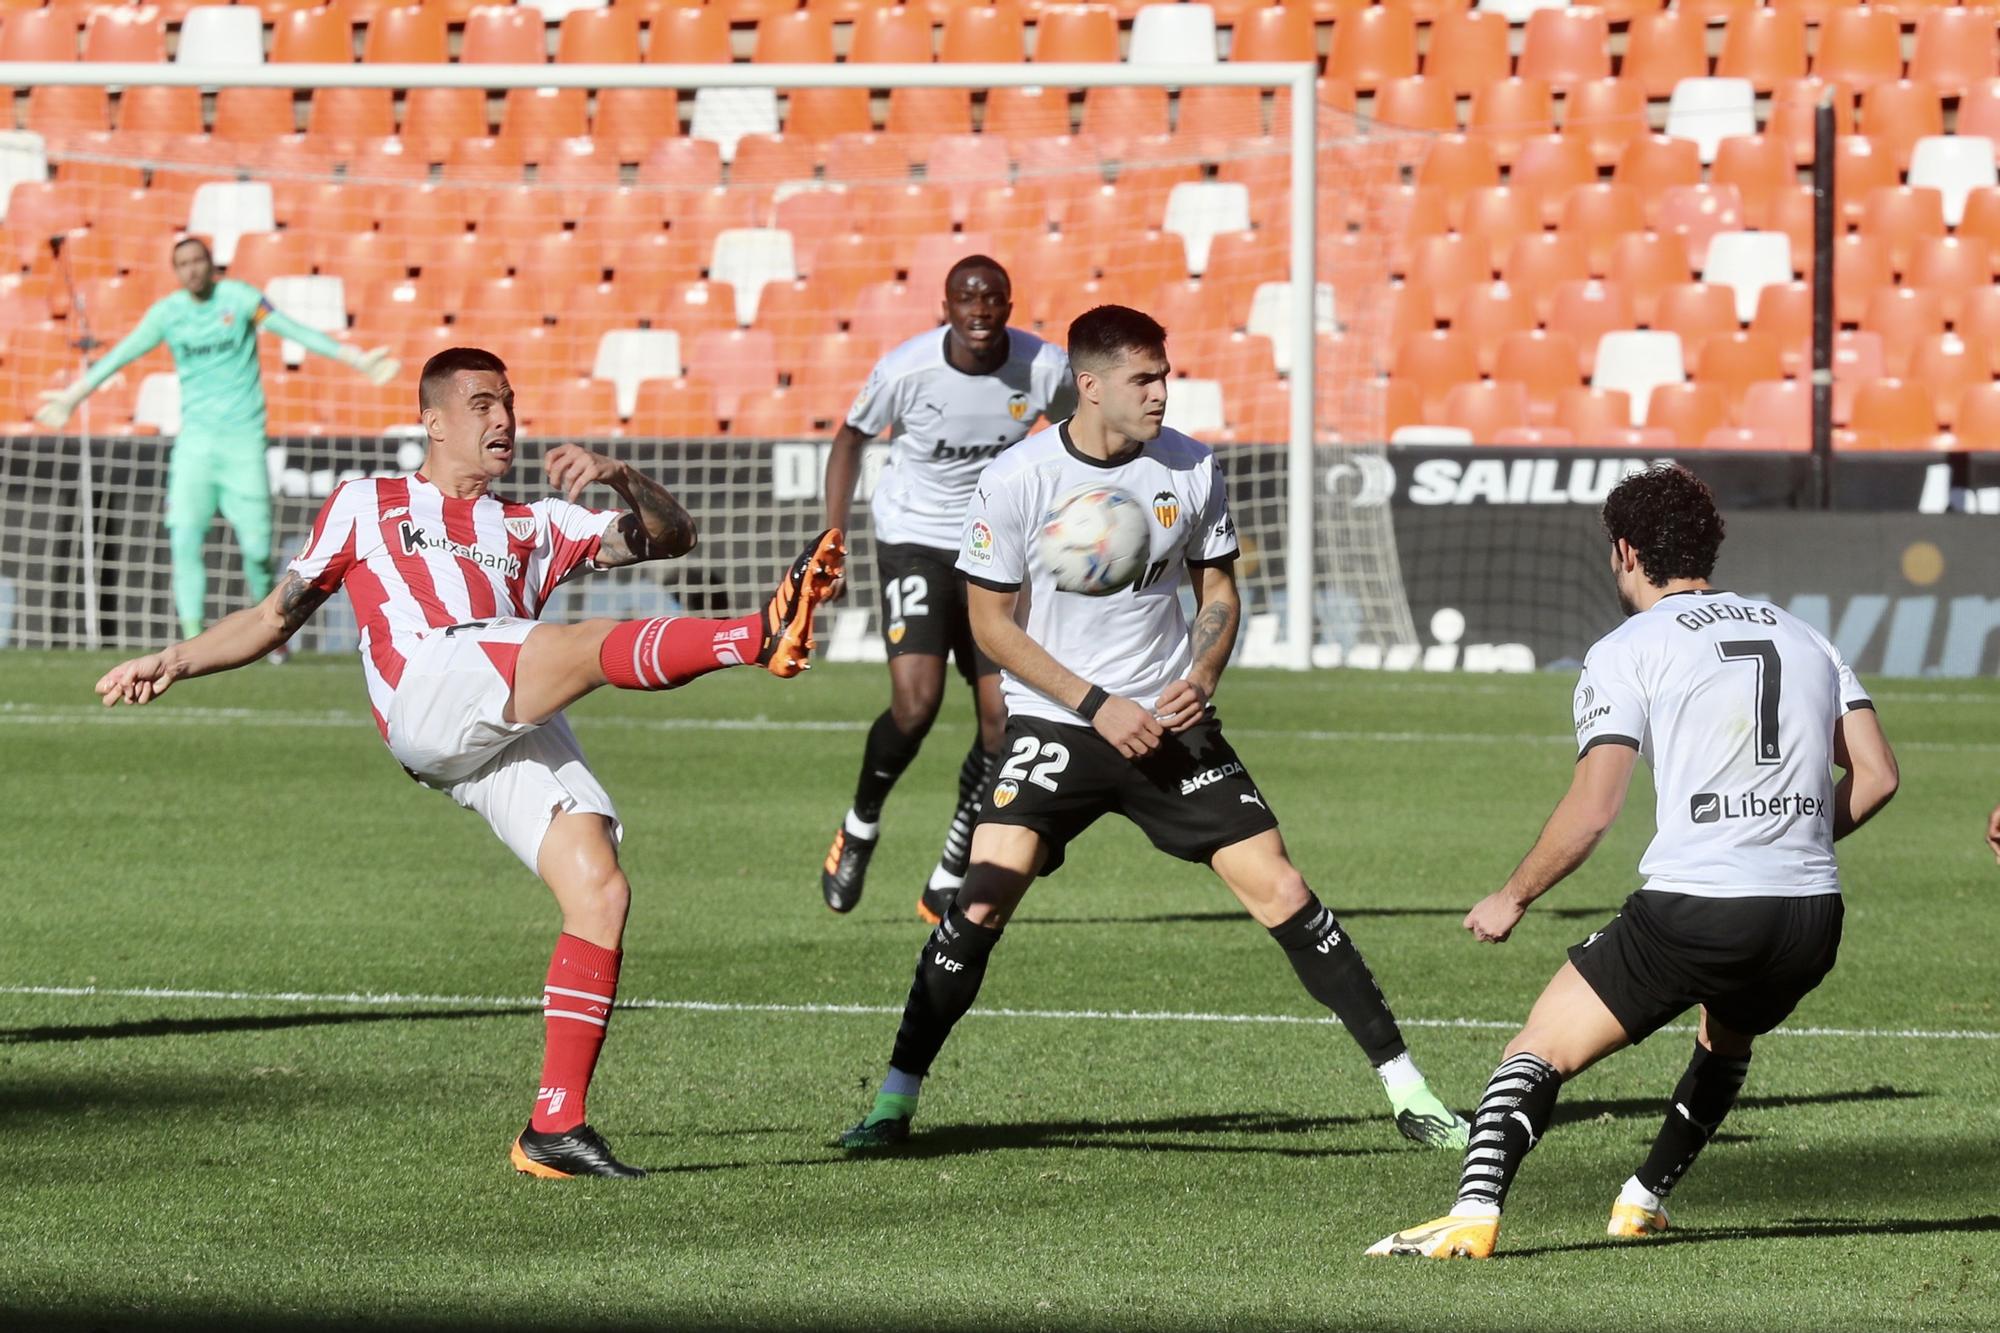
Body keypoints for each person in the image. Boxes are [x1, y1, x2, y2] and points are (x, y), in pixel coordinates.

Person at [94, 347, 844, 1180]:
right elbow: (276, 615)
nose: (504, 420)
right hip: (427, 689)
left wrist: (623, 474)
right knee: (583, 646)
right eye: (483, 404)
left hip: (499, 714)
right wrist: (174, 659)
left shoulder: (536, 525)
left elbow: (673, 537)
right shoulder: (367, 504)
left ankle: (554, 1128)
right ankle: (755, 635)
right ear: (434, 420)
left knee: (600, 888)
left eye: (510, 404)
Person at [838, 306, 1468, 1153]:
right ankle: (893, 1102)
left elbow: (1219, 595)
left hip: (1168, 718)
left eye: (1166, 375)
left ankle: (1411, 1091)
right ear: (1088, 386)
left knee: (1280, 887)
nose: (1163, 393)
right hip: (1059, 721)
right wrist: (1096, 704)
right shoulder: (1018, 477)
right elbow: (990, 624)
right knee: (980, 899)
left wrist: (1198, 677)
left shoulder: (1193, 467)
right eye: (1144, 379)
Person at [1368, 463, 1900, 1260]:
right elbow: (1879, 775)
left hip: (1698, 908)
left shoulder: (1628, 647)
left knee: (1538, 1048)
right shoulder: (1802, 631)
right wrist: (1785, 838)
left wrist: (1513, 895)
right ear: (1706, 546)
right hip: (1809, 918)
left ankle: (1471, 1211)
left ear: (1625, 550)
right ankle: (1643, 1198)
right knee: (1727, 1038)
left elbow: (1593, 810)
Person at [819, 254, 1078, 924]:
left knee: (1002, 723)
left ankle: (953, 865)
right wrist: (832, 533)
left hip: (995, 547)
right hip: (914, 537)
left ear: (1010, 306)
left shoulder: (1044, 368)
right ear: (947, 307)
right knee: (916, 703)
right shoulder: (907, 369)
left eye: (993, 298)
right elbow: (849, 439)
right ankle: (861, 823)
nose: (981, 311)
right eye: (967, 298)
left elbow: (1084, 435)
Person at [36, 236, 399, 646]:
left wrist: (353, 357)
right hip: (195, 447)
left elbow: (292, 329)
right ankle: (192, 637)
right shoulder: (168, 314)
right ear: (176, 271)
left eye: (197, 260)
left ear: (211, 264)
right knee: (185, 539)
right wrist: (71, 397)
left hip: (243, 444)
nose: (191, 269)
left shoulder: (239, 299)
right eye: (183, 263)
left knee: (259, 549)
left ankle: (269, 632)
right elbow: (121, 355)